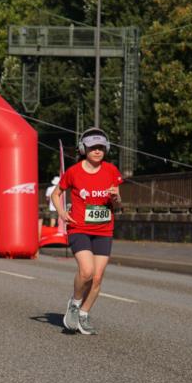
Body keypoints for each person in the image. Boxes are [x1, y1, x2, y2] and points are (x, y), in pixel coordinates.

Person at [50, 128, 123, 335]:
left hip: (104, 229)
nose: (97, 151)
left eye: (101, 147)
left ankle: (83, 314)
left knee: (98, 277)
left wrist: (116, 198)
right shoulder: (73, 172)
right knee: (87, 271)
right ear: (84, 149)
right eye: (93, 148)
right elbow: (56, 194)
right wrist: (62, 212)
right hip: (79, 228)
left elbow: (118, 204)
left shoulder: (111, 171)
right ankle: (74, 303)